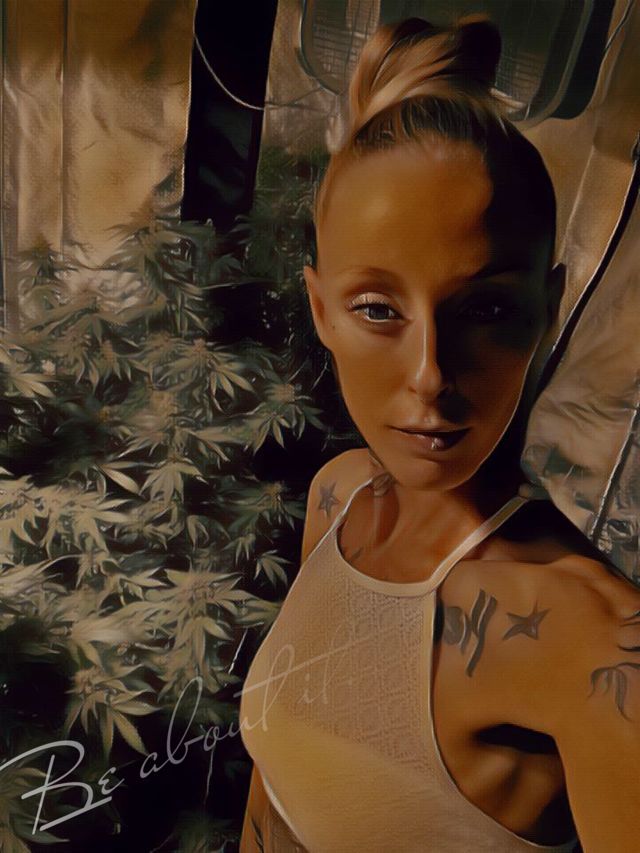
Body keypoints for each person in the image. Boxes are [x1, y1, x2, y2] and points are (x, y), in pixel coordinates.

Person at [238, 15, 640, 853]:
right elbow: (274, 788)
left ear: (546, 308)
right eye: (377, 308)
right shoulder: (339, 498)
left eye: (484, 308)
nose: (428, 373)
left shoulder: (594, 641)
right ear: (321, 309)